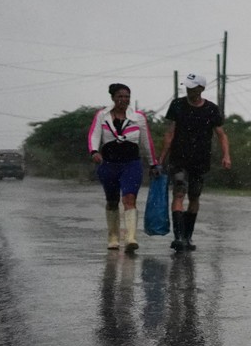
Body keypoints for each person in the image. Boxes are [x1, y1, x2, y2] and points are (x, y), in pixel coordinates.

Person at [160, 72, 230, 251]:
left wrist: (226, 155)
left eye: (193, 87)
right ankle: (178, 237)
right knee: (178, 194)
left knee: (194, 197)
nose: (189, 90)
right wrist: (161, 159)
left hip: (200, 159)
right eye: (187, 87)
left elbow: (221, 134)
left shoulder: (211, 109)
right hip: (179, 158)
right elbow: (170, 133)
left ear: (201, 88)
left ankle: (188, 236)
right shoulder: (177, 105)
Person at [88, 83, 159, 251]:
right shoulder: (102, 115)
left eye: (127, 96)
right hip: (109, 164)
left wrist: (153, 163)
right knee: (112, 201)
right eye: (120, 96)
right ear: (113, 98)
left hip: (131, 164)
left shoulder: (138, 117)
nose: (124, 100)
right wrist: (94, 151)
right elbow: (94, 134)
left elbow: (146, 142)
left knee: (129, 198)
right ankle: (113, 237)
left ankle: (130, 238)